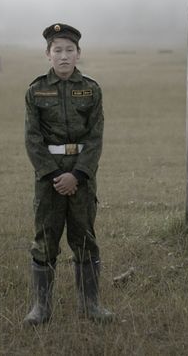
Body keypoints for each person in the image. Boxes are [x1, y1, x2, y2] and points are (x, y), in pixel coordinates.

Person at [22, 23, 113, 325]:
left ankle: (91, 305)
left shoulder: (91, 90)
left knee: (85, 238)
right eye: (57, 50)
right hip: (49, 179)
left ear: (78, 54)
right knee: (45, 239)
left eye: (69, 50)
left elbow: (96, 138)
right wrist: (53, 177)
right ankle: (41, 308)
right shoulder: (36, 91)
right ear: (48, 54)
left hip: (81, 178)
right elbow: (32, 140)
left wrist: (78, 175)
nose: (63, 56)